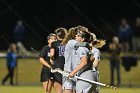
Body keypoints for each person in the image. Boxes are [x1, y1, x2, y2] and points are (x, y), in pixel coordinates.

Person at [50, 27, 67, 93]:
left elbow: (52, 54)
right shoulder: (68, 43)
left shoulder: (54, 44)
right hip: (67, 67)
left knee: (59, 89)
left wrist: (51, 59)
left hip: (57, 67)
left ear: (57, 35)